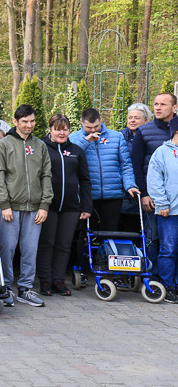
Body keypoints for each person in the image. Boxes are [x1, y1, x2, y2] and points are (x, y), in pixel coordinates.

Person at [0, 104, 53, 307]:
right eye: (24, 121)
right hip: (10, 208)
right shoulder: (4, 144)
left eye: (32, 121)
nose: (29, 125)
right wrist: (4, 203)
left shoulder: (40, 145)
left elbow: (46, 175)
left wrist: (44, 205)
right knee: (7, 248)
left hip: (35, 208)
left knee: (30, 249)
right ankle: (6, 287)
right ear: (15, 122)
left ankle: (25, 288)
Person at [38, 114, 92, 297]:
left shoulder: (77, 150)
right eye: (57, 128)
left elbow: (85, 180)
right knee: (47, 243)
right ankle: (45, 280)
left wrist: (86, 206)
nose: (61, 132)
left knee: (64, 244)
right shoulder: (42, 148)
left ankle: (59, 281)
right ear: (50, 129)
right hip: (48, 206)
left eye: (65, 129)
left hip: (71, 207)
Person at [130, 92, 178, 279]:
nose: (158, 108)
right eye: (156, 104)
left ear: (174, 108)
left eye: (163, 104)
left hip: (174, 197)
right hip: (153, 196)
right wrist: (144, 193)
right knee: (154, 238)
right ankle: (153, 278)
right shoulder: (145, 131)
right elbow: (136, 163)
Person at [67, 108, 138, 232]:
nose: (93, 130)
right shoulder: (73, 139)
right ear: (81, 122)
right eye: (89, 127)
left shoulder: (116, 137)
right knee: (87, 233)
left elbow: (125, 165)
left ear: (101, 120)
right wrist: (86, 142)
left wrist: (129, 185)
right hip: (88, 196)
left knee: (110, 232)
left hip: (113, 195)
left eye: (96, 126)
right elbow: (70, 160)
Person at [146, 117, 178, 303]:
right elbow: (155, 180)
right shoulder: (162, 153)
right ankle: (168, 285)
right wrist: (162, 203)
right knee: (169, 249)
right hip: (170, 211)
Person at [120, 103, 152, 231]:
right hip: (124, 191)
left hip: (146, 188)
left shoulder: (149, 137)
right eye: (130, 117)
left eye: (136, 118)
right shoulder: (120, 137)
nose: (132, 120)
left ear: (146, 120)